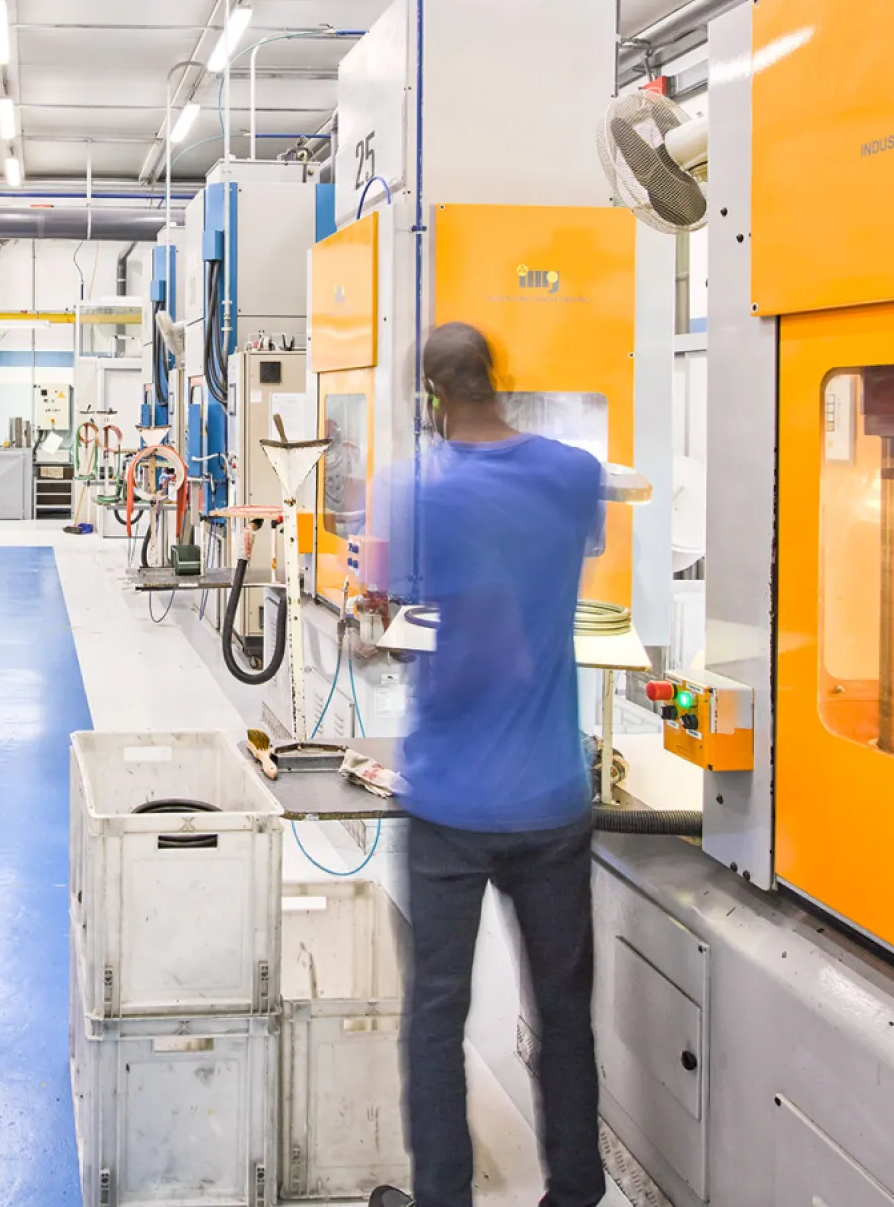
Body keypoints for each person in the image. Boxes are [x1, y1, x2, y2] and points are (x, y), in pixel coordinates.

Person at [369, 322, 607, 1207]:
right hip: (552, 797)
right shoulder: (575, 474)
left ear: (429, 395)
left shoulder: (413, 491)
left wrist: (386, 636)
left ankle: (443, 1197)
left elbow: (414, 621)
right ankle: (575, 1192)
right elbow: (550, 581)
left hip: (450, 802)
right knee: (564, 1012)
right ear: (495, 376)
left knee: (436, 1014)